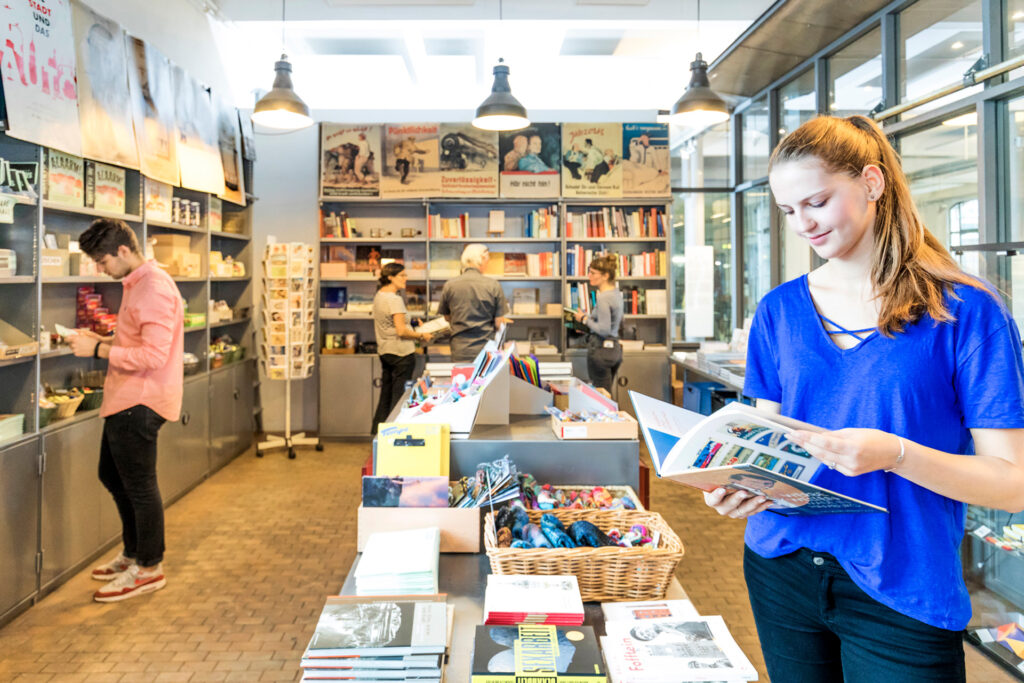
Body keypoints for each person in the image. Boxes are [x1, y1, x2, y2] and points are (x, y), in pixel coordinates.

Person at [703, 115, 1024, 682]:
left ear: (872, 183)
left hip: (904, 582)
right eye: (787, 211)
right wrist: (739, 484)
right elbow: (763, 440)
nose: (802, 224)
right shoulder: (779, 311)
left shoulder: (967, 312)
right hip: (781, 565)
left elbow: (1012, 483)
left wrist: (897, 453)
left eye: (817, 202)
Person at [67, 219, 183, 603]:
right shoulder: (136, 284)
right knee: (113, 476)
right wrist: (103, 339)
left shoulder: (152, 287)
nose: (99, 269)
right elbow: (138, 338)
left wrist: (98, 351)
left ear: (123, 251)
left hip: (141, 401)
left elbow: (153, 354)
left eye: (101, 261)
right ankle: (134, 554)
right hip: (125, 397)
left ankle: (149, 568)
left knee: (139, 486)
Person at [371, 263, 431, 434]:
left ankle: (378, 434)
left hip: (386, 351)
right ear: (390, 277)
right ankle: (394, 435)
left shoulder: (380, 296)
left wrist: (412, 322)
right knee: (399, 398)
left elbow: (391, 323)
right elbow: (401, 331)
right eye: (402, 276)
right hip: (401, 353)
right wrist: (422, 335)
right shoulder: (395, 299)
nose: (406, 279)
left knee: (386, 395)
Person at [437, 244, 511, 362]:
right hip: (487, 350)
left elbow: (447, 317)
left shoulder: (450, 285)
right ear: (481, 259)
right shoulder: (493, 285)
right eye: (487, 261)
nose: (487, 264)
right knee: (486, 380)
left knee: (462, 379)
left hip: (460, 349)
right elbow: (498, 323)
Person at [573, 255, 623, 394]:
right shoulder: (616, 294)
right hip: (614, 350)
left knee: (602, 395)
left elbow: (604, 329)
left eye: (593, 273)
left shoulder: (603, 298)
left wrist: (583, 319)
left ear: (605, 275)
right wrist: (589, 319)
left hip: (601, 350)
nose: (589, 276)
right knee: (607, 392)